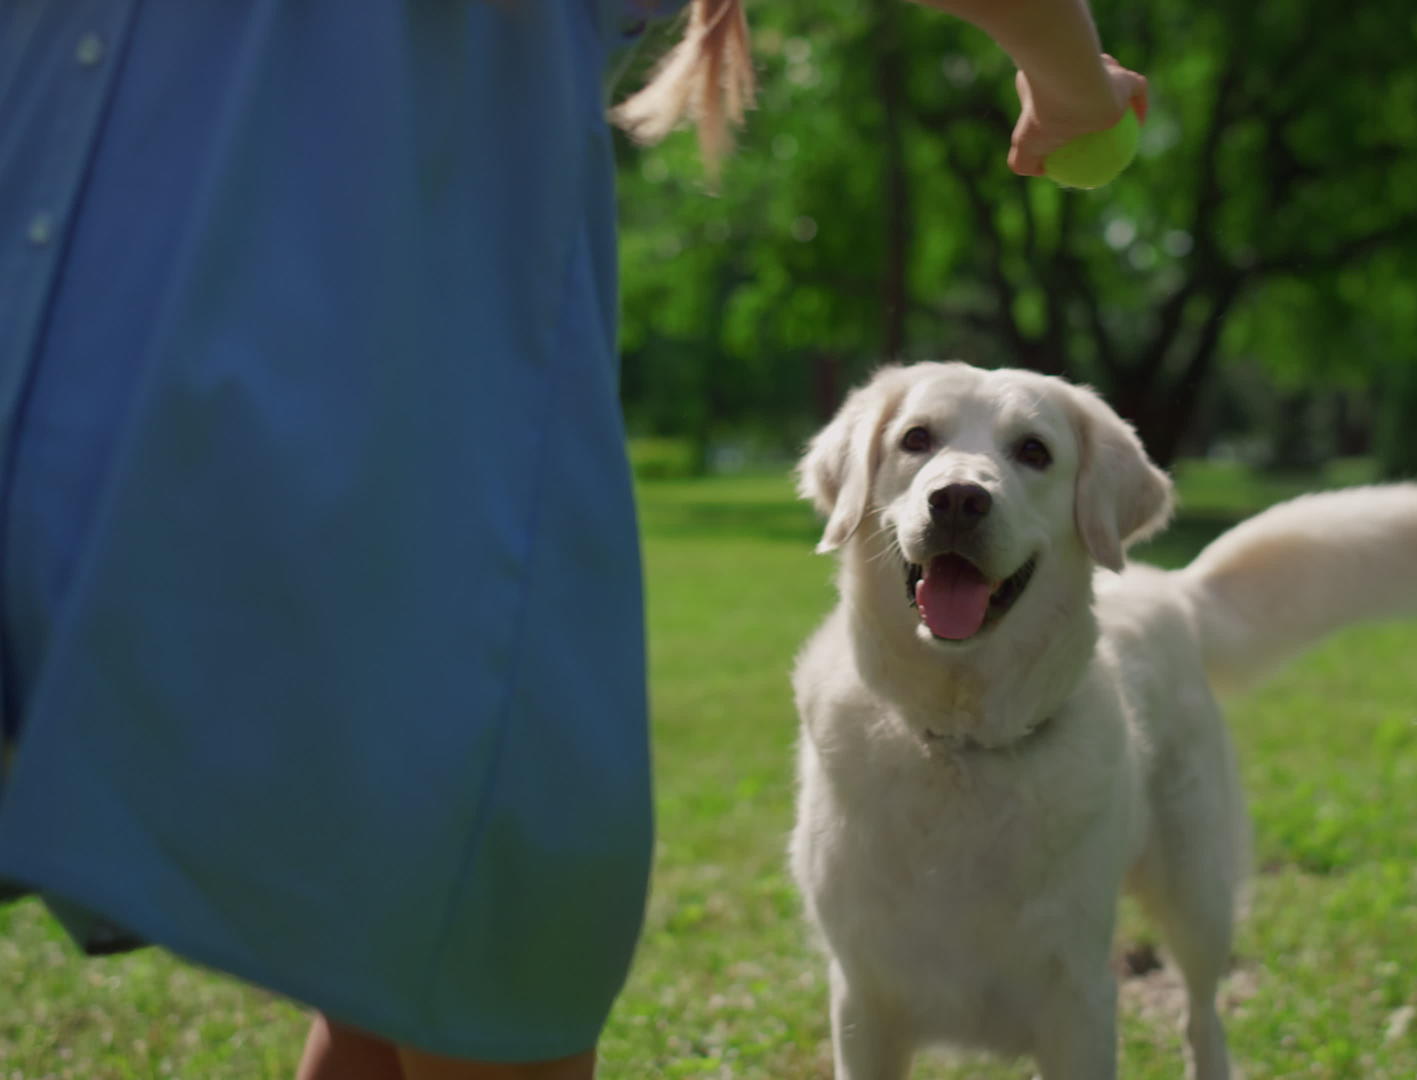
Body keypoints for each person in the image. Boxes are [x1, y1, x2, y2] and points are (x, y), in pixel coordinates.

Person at [0, 1, 1147, 1077]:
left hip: (97, 375)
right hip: (369, 485)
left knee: (406, 954)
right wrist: (1071, 81)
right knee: (491, 937)